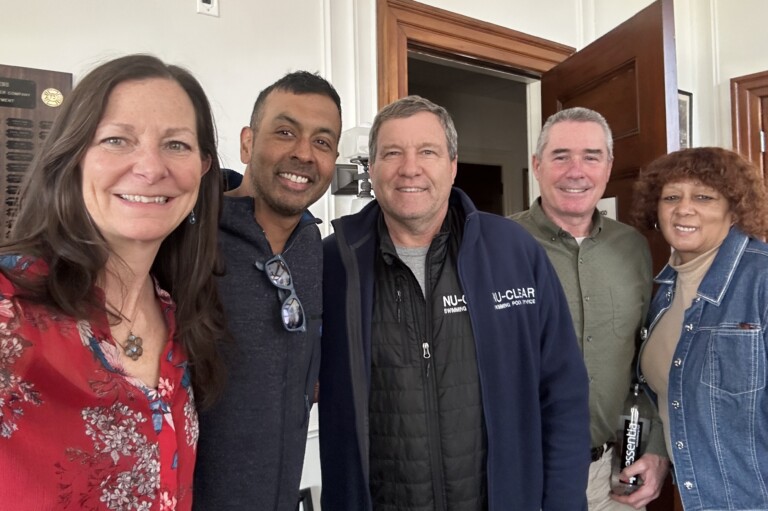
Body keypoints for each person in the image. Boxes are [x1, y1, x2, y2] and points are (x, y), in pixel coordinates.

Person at [319, 95, 590, 511]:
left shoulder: (515, 252)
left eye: (427, 151)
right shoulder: (333, 264)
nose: (410, 168)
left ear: (452, 165)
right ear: (371, 168)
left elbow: (563, 392)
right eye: (392, 153)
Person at [0, 54, 226, 510]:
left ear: (203, 168)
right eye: (117, 140)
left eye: (177, 145)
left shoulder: (180, 312)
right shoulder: (11, 306)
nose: (150, 167)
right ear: (73, 156)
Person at [194, 71, 342, 510]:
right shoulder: (187, 241)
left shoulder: (316, 247)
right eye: (285, 132)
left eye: (322, 142)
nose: (303, 154)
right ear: (246, 143)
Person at [510, 107, 669, 510]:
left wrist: (653, 446)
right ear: (537, 165)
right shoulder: (498, 244)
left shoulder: (634, 248)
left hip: (610, 477)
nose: (575, 171)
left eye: (591, 157)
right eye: (561, 156)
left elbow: (643, 362)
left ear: (609, 166)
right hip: (520, 474)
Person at [632, 147, 768, 511]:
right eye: (671, 197)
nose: (684, 208)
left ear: (734, 208)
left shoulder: (762, 279)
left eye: (704, 197)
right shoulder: (664, 291)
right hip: (693, 495)